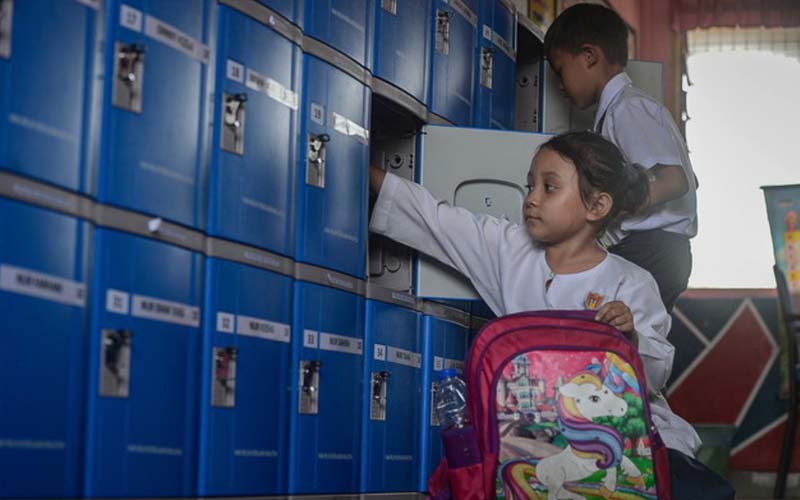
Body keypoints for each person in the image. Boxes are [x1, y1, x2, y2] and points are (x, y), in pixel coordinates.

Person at [369, 132, 733, 499]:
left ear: (597, 206)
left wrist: (631, 339)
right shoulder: (508, 248)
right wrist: (360, 162)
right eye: (531, 185)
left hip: (619, 434)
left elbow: (653, 376)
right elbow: (436, 219)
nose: (531, 198)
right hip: (531, 433)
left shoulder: (631, 282)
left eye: (550, 187)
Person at [544, 3, 697, 313]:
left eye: (560, 71)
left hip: (649, 248)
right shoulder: (621, 111)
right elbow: (689, 178)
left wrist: (615, 204)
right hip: (658, 250)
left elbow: (676, 180)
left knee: (610, 326)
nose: (559, 85)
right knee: (626, 331)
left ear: (589, 56)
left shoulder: (626, 109)